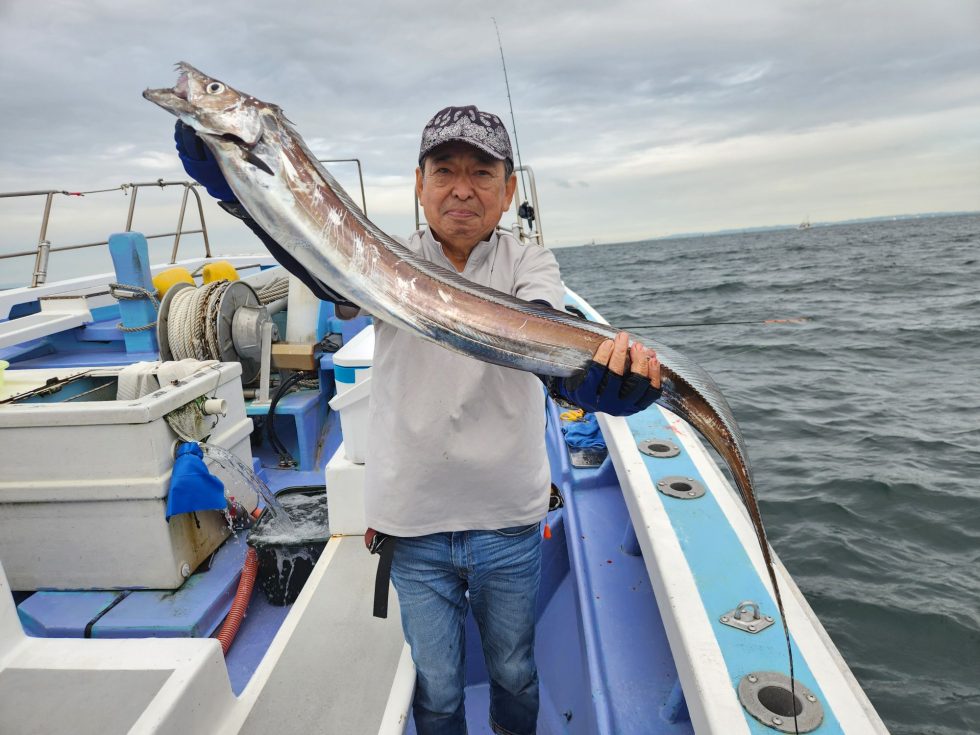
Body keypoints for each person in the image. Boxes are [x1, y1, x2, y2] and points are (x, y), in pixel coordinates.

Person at [174, 105, 662, 735]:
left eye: (482, 173)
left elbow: (539, 332)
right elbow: (322, 269)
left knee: (514, 670)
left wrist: (589, 378)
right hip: (413, 526)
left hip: (507, 523)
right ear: (419, 182)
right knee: (436, 685)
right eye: (445, 170)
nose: (462, 188)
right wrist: (242, 195)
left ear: (508, 189)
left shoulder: (528, 263)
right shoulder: (386, 262)